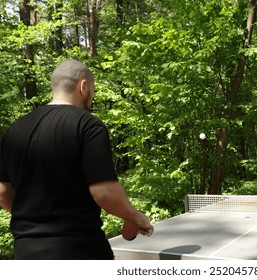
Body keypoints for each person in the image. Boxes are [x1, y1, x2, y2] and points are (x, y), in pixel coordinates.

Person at [0, 59, 154, 259]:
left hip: (26, 252)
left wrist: (35, 224)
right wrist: (136, 217)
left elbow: (3, 193)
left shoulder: (14, 130)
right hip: (79, 250)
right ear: (83, 86)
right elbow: (104, 192)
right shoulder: (88, 126)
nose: (92, 96)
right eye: (92, 90)